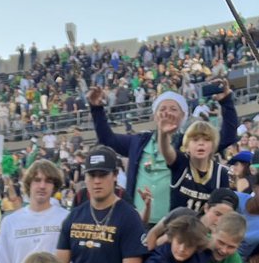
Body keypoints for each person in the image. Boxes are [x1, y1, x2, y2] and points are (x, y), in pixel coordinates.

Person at [88, 83, 237, 223]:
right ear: (155, 115)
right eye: (163, 108)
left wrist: (226, 101)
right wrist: (96, 109)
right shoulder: (138, 141)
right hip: (138, 221)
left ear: (183, 116)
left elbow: (227, 137)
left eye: (173, 109)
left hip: (172, 227)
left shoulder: (188, 143)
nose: (167, 113)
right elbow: (107, 138)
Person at [0, 161, 67, 263]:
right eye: (37, 180)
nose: (42, 186)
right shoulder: (10, 222)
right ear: (29, 184)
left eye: (48, 181)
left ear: (54, 186)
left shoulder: (66, 218)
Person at [160, 119, 230, 214]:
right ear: (186, 146)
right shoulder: (181, 162)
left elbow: (224, 210)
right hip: (177, 226)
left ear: (213, 146)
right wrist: (163, 134)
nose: (201, 143)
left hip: (204, 227)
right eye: (195, 140)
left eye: (207, 140)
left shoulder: (221, 173)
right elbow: (166, 151)